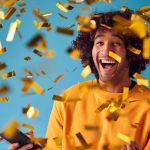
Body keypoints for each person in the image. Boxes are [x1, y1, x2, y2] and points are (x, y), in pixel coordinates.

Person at [9, 8, 150, 150]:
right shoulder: (67, 100)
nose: (106, 51)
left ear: (131, 54)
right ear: (90, 50)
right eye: (99, 43)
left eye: (116, 43)